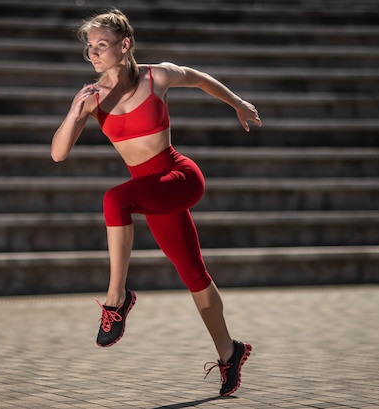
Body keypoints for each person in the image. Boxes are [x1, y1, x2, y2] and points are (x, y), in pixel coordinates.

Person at [51, 8, 261, 396]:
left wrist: (237, 103)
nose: (93, 53)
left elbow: (198, 78)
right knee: (194, 275)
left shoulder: (156, 75)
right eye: (89, 48)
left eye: (102, 45)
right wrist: (72, 112)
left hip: (179, 176)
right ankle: (230, 353)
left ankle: (117, 298)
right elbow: (58, 153)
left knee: (115, 200)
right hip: (150, 192)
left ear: (124, 45)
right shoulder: (93, 97)